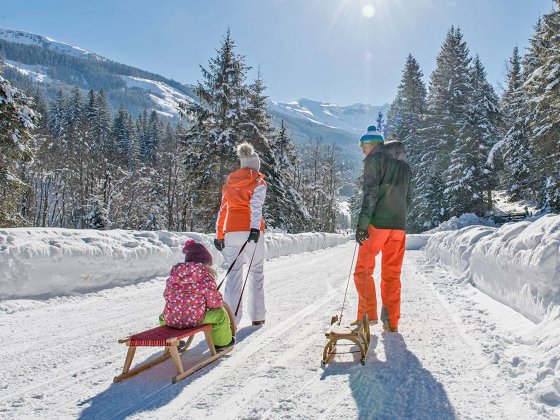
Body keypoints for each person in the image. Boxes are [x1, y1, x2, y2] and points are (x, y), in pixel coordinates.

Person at [354, 125, 411, 333]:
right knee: (392, 273)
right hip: (399, 227)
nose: (362, 151)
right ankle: (392, 321)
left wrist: (362, 225)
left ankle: (367, 316)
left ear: (372, 145)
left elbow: (370, 194)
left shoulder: (373, 160)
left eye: (363, 146)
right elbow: (408, 198)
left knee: (363, 270)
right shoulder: (405, 167)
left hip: (377, 224)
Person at [214, 142, 267, 326]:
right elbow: (255, 206)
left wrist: (219, 234)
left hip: (231, 231)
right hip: (251, 231)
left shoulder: (230, 182)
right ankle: (257, 315)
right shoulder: (258, 181)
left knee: (234, 273)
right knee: (256, 271)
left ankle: (231, 319)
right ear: (255, 166)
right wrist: (254, 228)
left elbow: (223, 210)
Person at [160, 239, 234, 350]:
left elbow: (166, 295)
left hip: (171, 319)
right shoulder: (204, 277)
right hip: (194, 319)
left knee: (162, 317)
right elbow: (215, 304)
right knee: (220, 315)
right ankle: (222, 343)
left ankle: (176, 340)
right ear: (205, 263)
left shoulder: (174, 275)